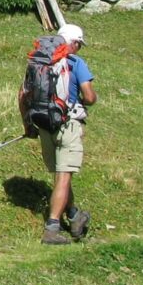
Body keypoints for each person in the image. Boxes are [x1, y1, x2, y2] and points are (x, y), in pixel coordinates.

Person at [21, 22, 97, 245]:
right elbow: (89, 97)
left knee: (62, 175)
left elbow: (22, 94)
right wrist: (89, 100)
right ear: (73, 43)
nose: (79, 49)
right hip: (67, 125)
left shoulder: (39, 61)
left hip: (44, 124)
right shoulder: (75, 63)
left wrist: (28, 125)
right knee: (63, 177)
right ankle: (52, 227)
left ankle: (73, 215)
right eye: (79, 45)